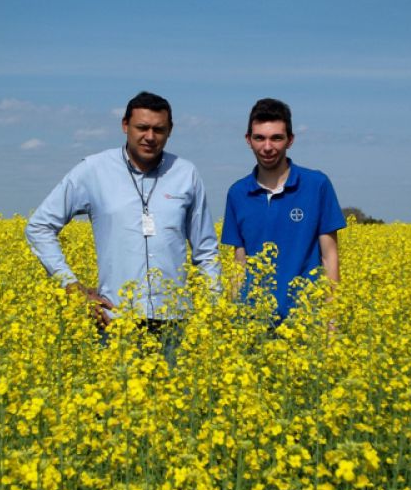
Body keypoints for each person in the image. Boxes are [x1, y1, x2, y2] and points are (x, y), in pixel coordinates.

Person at [26, 91, 219, 329]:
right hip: (114, 320)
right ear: (125, 125)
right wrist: (71, 286)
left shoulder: (186, 173)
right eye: (142, 127)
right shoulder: (94, 170)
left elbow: (206, 251)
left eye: (158, 130)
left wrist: (212, 310)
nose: (150, 137)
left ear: (170, 130)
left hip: (176, 323)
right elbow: (39, 226)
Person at [221, 98, 346, 326]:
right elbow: (239, 264)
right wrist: (231, 323)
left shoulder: (316, 185)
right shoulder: (237, 193)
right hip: (253, 324)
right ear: (248, 140)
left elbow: (330, 258)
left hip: (305, 322)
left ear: (290, 140)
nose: (267, 147)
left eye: (276, 138)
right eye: (259, 138)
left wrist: (332, 323)